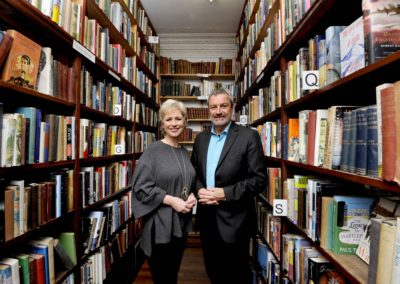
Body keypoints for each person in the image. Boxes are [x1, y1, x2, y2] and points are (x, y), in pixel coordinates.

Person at [191, 89, 267, 284]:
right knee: (213, 272)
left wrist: (224, 193)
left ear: (232, 109)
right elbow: (194, 172)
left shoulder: (249, 136)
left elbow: (259, 180)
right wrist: (199, 190)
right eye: (213, 107)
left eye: (223, 106)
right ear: (208, 110)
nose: (218, 111)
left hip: (235, 220)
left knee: (236, 274)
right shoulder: (201, 139)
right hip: (207, 218)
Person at [132, 99, 197, 284]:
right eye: (169, 119)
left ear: (185, 122)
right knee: (163, 278)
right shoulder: (153, 151)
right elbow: (140, 187)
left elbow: (186, 182)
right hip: (159, 225)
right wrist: (171, 200)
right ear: (162, 123)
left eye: (178, 118)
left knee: (172, 276)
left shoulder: (185, 152)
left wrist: (192, 194)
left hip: (180, 224)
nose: (174, 123)